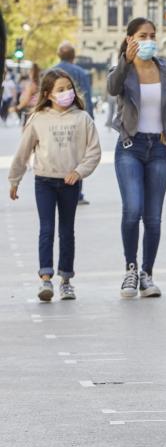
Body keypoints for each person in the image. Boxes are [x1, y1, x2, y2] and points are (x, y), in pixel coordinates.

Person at [108, 18, 166, 299]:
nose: (148, 40)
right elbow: (112, 88)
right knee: (132, 210)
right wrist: (125, 60)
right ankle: (130, 271)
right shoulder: (123, 69)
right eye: (142, 35)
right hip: (130, 147)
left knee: (153, 218)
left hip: (160, 148)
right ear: (129, 38)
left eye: (152, 35)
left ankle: (147, 274)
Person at [8, 69, 101, 301]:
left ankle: (66, 280)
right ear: (49, 94)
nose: (66, 93)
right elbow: (23, 152)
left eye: (69, 88)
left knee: (67, 231)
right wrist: (14, 180)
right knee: (47, 229)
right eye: (61, 90)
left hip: (70, 183)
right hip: (45, 182)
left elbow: (94, 151)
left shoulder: (82, 118)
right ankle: (45, 278)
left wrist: (79, 171)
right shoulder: (38, 119)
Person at [53, 42, 95, 205]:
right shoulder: (80, 72)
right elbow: (86, 97)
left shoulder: (51, 72)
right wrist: (90, 120)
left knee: (56, 155)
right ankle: (76, 194)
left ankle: (57, 191)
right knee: (77, 157)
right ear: (73, 56)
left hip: (55, 120)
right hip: (77, 120)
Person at [16, 63, 41, 127]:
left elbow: (26, 99)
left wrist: (18, 107)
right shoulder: (39, 83)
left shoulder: (30, 84)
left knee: (27, 132)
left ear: (31, 72)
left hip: (29, 110)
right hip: (37, 110)